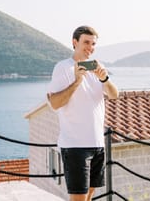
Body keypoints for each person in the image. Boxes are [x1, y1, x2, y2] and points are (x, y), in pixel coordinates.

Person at [47, 25, 119, 201]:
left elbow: (114, 95)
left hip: (97, 144)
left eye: (93, 44)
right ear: (74, 42)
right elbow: (55, 103)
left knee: (89, 197)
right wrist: (77, 81)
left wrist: (105, 79)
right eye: (86, 42)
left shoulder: (97, 67)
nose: (90, 47)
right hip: (75, 146)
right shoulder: (63, 68)